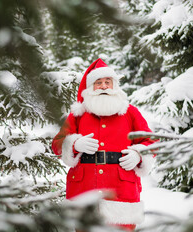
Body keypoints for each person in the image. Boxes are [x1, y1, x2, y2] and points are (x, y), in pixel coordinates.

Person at [51, 58, 155, 231]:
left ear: (114, 85)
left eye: (108, 82)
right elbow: (57, 144)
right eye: (99, 83)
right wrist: (75, 144)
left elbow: (150, 141)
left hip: (121, 192)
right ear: (90, 87)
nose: (104, 86)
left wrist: (138, 155)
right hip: (84, 191)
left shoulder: (130, 112)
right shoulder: (79, 114)